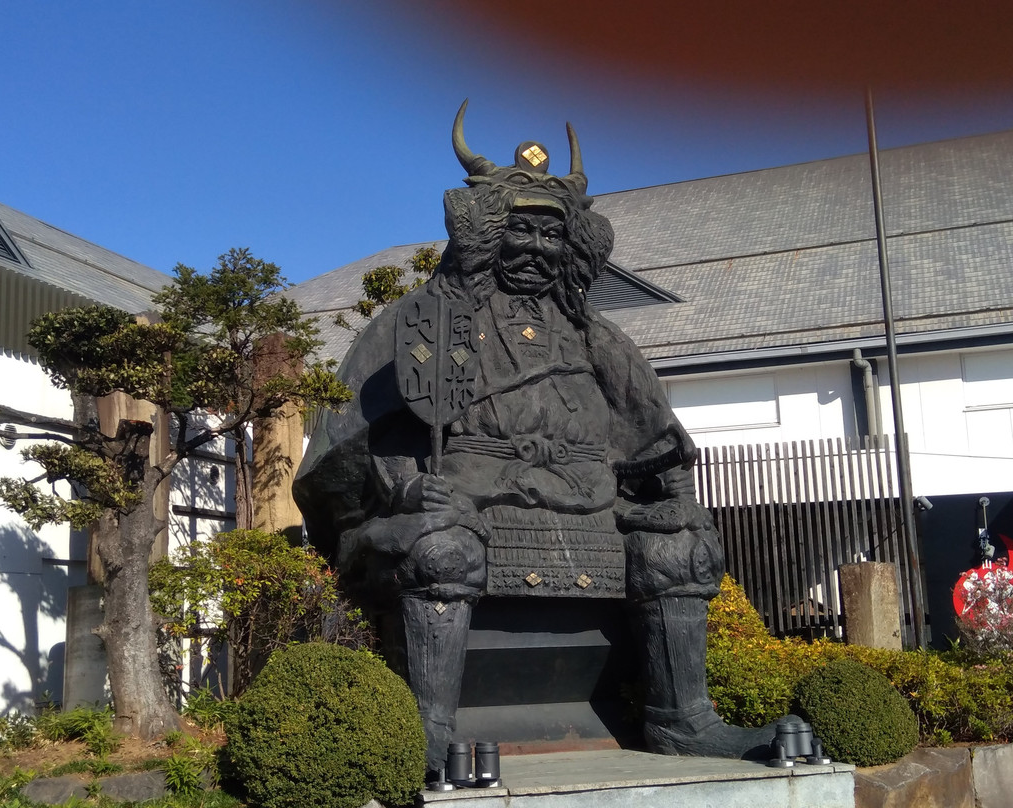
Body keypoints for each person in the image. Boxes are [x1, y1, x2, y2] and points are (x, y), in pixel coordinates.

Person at [294, 102, 774, 775]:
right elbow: (358, 441)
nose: (535, 251)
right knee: (442, 548)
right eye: (519, 233)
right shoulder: (428, 323)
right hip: (468, 502)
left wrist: (670, 495)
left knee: (679, 548)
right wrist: (407, 488)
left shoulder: (595, 338)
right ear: (484, 236)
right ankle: (427, 727)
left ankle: (681, 720)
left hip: (584, 503)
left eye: (551, 239)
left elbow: (654, 439)